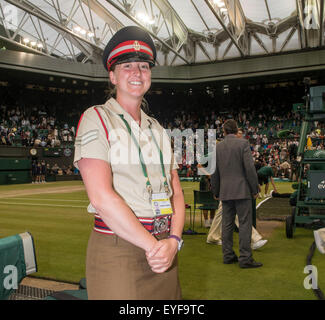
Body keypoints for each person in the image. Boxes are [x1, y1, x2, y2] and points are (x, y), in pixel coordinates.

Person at [73, 26, 185, 300]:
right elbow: (101, 197)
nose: (137, 73)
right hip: (119, 249)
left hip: (164, 247)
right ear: (112, 75)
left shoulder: (157, 128)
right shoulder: (96, 118)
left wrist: (174, 241)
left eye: (144, 66)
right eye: (127, 66)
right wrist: (154, 247)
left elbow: (177, 194)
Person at [211, 119, 262, 268]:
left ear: (224, 131)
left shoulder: (217, 148)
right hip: (242, 191)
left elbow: (214, 172)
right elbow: (250, 169)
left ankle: (227, 255)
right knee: (245, 224)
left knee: (226, 224)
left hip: (225, 192)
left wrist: (216, 190)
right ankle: (245, 258)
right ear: (236, 130)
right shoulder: (243, 144)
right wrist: (255, 189)